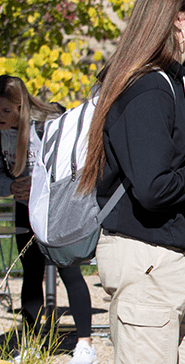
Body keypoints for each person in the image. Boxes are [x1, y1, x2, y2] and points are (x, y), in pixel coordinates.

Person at [79, 0, 185, 364]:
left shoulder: (172, 79)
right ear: (176, 19)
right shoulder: (147, 88)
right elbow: (152, 187)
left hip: (173, 262)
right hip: (147, 263)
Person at [0, 75, 97, 364]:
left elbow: (67, 167)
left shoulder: (43, 128)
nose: (0, 117)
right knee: (31, 275)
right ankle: (31, 341)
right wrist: (11, 188)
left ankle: (85, 343)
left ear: (21, 107)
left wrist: (38, 186)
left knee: (69, 271)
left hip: (55, 211)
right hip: (24, 210)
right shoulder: (2, 133)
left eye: (5, 111)